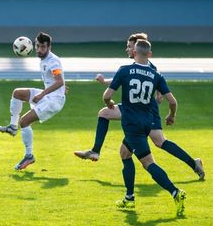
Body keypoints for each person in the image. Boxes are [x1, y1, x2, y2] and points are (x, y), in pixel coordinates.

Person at [74, 33, 205, 181]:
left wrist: (159, 95)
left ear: (137, 48)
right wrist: (105, 82)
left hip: (146, 111)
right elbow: (125, 77)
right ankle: (96, 151)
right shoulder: (138, 67)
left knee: (159, 141)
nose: (127, 49)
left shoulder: (148, 67)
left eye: (129, 46)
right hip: (133, 109)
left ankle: (192, 165)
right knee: (107, 118)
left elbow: (152, 81)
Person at [103, 39, 187, 216]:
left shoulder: (124, 70)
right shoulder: (156, 75)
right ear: (149, 54)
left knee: (148, 163)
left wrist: (109, 103)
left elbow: (107, 95)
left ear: (134, 53)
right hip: (148, 122)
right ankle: (129, 198)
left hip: (132, 124)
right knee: (124, 153)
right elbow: (172, 101)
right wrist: (171, 116)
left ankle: (175, 192)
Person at [0, 32, 65, 170]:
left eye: (43, 47)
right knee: (17, 93)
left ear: (49, 47)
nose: (39, 49)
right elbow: (58, 81)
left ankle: (29, 156)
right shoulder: (44, 59)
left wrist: (43, 94)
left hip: (54, 101)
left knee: (24, 122)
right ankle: (12, 127)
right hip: (49, 96)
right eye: (37, 46)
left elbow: (59, 81)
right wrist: (59, 87)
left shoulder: (53, 61)